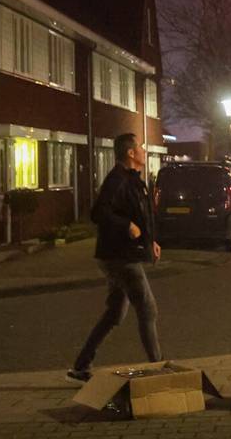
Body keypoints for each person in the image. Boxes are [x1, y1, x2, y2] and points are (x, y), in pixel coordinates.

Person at [67, 133, 161, 383]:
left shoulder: (132, 180)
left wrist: (150, 240)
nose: (143, 150)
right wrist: (126, 225)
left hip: (122, 253)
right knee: (147, 308)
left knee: (115, 312)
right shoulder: (117, 179)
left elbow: (140, 214)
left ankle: (80, 367)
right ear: (131, 153)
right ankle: (159, 367)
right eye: (140, 147)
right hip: (119, 256)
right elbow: (98, 213)